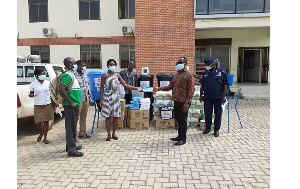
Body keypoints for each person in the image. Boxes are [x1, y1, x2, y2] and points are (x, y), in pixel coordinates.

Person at [153, 57, 194, 146]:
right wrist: (159, 88)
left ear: (185, 64)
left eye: (180, 62)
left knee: (183, 120)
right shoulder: (177, 74)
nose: (178, 64)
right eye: (178, 62)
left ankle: (183, 139)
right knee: (178, 119)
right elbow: (170, 86)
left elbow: (191, 90)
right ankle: (179, 136)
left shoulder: (188, 75)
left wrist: (187, 103)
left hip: (183, 101)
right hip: (176, 100)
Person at [99, 59, 142, 141]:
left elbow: (125, 85)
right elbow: (101, 88)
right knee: (107, 117)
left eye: (114, 64)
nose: (112, 66)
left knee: (115, 116)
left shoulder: (117, 75)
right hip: (107, 96)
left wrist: (136, 88)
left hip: (115, 96)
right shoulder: (104, 75)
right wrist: (101, 100)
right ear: (108, 66)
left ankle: (114, 133)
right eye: (111, 64)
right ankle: (108, 134)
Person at [59, 57, 83, 157]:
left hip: (74, 104)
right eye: (74, 63)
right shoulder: (67, 75)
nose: (76, 65)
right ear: (69, 65)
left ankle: (71, 145)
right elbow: (61, 90)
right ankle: (71, 150)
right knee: (70, 127)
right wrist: (71, 103)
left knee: (73, 126)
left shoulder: (71, 74)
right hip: (71, 105)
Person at [199, 57, 228, 137]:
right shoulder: (205, 73)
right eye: (206, 65)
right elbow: (202, 85)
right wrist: (201, 95)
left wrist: (224, 97)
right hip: (207, 97)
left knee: (218, 114)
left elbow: (225, 85)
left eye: (208, 65)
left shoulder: (221, 72)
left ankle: (216, 130)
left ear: (214, 64)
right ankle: (207, 128)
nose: (207, 66)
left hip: (218, 97)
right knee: (207, 113)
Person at [29, 68, 53, 144]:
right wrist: (31, 95)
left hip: (47, 104)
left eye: (44, 74)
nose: (43, 76)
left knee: (46, 121)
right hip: (38, 105)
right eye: (41, 74)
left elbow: (52, 93)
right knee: (37, 122)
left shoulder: (48, 83)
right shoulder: (33, 84)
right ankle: (41, 133)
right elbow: (31, 93)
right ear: (36, 76)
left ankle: (45, 138)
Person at [75, 60, 91, 139]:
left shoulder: (85, 74)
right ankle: (73, 135)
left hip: (86, 98)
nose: (84, 67)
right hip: (78, 99)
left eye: (85, 66)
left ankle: (82, 133)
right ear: (78, 66)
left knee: (83, 117)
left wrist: (89, 95)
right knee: (75, 117)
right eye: (82, 66)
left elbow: (87, 85)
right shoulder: (74, 75)